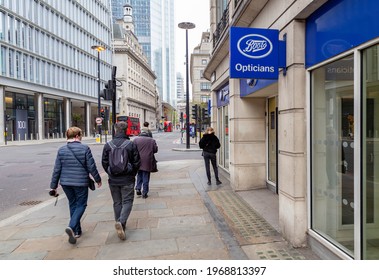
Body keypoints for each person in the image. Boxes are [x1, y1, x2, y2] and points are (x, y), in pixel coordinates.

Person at [50, 126, 102, 245]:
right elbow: (91, 166)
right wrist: (97, 179)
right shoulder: (84, 148)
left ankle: (77, 231)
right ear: (78, 136)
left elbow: (57, 169)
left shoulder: (61, 150)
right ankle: (72, 226)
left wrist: (53, 186)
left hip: (65, 183)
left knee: (73, 204)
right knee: (81, 204)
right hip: (80, 182)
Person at [101, 122, 141, 240]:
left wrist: (110, 172)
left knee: (117, 202)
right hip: (127, 178)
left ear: (115, 130)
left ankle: (119, 222)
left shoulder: (108, 145)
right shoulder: (130, 144)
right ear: (126, 130)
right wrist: (132, 173)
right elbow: (137, 162)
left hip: (113, 180)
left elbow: (104, 162)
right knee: (127, 201)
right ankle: (121, 222)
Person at [133, 130, 158, 199]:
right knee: (146, 176)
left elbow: (133, 150)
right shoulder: (151, 140)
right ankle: (144, 192)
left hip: (138, 160)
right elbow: (155, 150)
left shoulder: (135, 140)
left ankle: (138, 188)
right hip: (147, 160)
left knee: (139, 174)